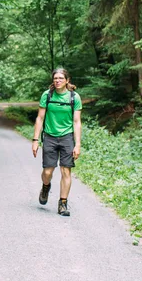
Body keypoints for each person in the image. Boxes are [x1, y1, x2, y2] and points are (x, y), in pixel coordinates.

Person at [31, 68, 82, 216]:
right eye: (55, 78)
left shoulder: (74, 97)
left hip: (67, 137)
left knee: (66, 170)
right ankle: (45, 186)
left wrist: (77, 144)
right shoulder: (47, 95)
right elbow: (40, 118)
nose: (58, 81)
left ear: (67, 80)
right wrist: (35, 140)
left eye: (61, 78)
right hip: (50, 137)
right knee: (48, 172)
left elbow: (77, 122)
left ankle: (63, 204)